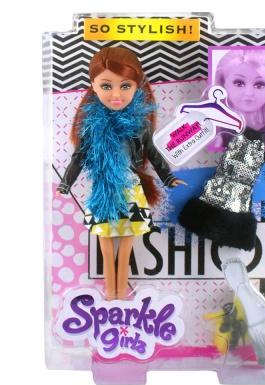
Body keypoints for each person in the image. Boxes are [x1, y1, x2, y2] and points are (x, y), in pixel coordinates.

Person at [56, 47, 186, 300]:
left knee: (125, 249)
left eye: (125, 86)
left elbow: (153, 152)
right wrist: (65, 183)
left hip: (130, 190)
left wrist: (168, 177)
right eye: (106, 86)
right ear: (93, 86)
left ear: (136, 86)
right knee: (106, 248)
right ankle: (110, 296)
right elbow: (79, 157)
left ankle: (121, 297)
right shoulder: (91, 126)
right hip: (103, 191)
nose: (116, 94)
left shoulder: (139, 124)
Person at [210, 49, 265, 150]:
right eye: (239, 83)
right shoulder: (225, 132)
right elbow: (212, 154)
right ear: (223, 86)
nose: (249, 92)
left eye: (259, 85)